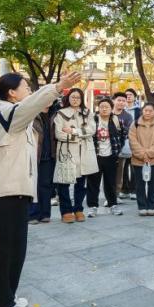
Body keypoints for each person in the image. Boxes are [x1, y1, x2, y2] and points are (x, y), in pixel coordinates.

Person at [0, 70, 81, 307]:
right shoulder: (4, 111)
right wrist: (58, 87)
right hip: (5, 192)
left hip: (17, 191)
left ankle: (7, 297)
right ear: (12, 92)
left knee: (15, 250)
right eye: (25, 87)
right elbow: (32, 105)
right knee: (3, 253)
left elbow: (31, 107)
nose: (29, 92)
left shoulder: (14, 114)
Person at [53, 88, 97, 222]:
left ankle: (78, 209)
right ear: (68, 98)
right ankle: (66, 211)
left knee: (81, 183)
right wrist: (79, 137)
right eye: (73, 97)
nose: (75, 100)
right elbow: (59, 134)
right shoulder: (61, 114)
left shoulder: (87, 113)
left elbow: (92, 130)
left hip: (84, 153)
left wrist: (74, 131)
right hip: (67, 152)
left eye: (78, 97)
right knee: (64, 182)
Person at [88, 97, 125, 216]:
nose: (104, 109)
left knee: (111, 183)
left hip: (111, 156)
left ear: (111, 108)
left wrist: (117, 149)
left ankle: (113, 205)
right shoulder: (92, 120)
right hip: (95, 156)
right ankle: (93, 207)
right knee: (93, 183)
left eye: (107, 107)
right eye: (102, 107)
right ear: (98, 108)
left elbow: (122, 135)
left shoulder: (116, 120)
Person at [28, 94, 60, 225]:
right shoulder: (32, 114)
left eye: (50, 99)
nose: (47, 101)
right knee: (33, 185)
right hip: (34, 155)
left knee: (46, 185)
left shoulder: (55, 114)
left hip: (49, 155)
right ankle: (32, 214)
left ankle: (45, 214)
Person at [129, 102, 154, 216]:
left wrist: (149, 154)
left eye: (150, 111)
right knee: (139, 184)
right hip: (138, 159)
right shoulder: (135, 124)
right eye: (146, 110)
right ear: (142, 111)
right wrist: (142, 155)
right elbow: (132, 141)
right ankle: (142, 206)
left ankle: (151, 206)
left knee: (153, 184)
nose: (148, 113)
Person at [113, 92, 135, 199]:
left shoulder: (127, 116)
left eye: (123, 101)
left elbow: (127, 131)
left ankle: (116, 194)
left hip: (120, 148)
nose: (121, 102)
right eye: (119, 100)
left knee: (119, 172)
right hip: (105, 148)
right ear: (114, 101)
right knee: (107, 173)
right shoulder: (108, 113)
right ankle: (109, 194)